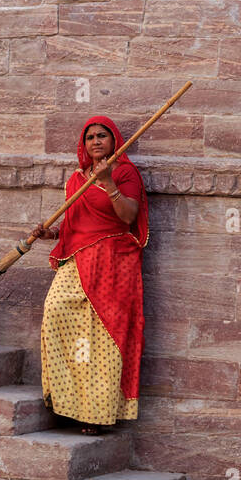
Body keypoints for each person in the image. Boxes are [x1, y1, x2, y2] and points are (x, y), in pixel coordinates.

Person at [29, 115, 149, 436]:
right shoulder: (75, 180)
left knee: (102, 337)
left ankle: (96, 414)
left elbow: (129, 216)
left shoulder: (124, 172)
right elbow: (74, 225)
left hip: (112, 260)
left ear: (114, 140)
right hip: (77, 260)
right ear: (83, 145)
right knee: (55, 313)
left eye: (102, 136)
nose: (95, 141)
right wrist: (51, 233)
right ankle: (70, 403)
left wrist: (108, 182)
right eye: (90, 137)